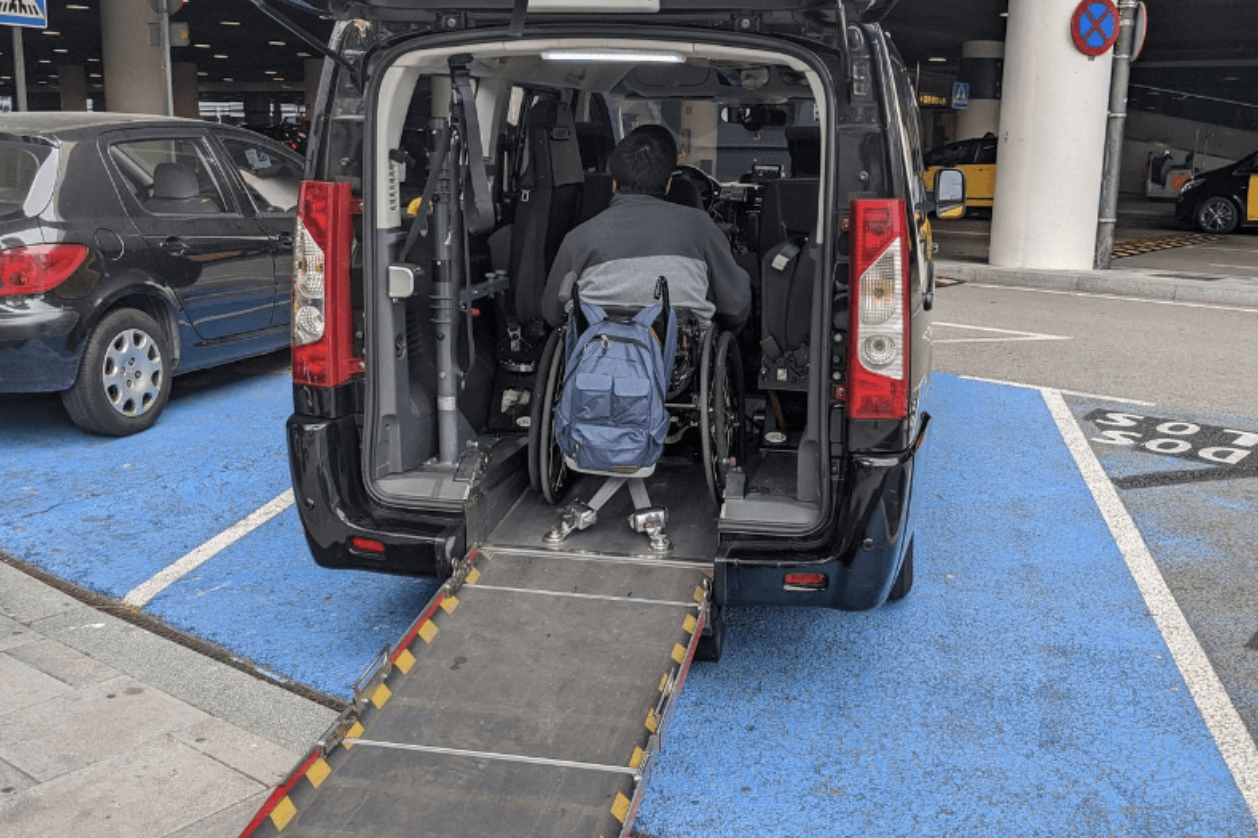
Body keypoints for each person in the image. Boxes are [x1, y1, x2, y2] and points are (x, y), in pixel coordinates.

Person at [540, 129, 750, 334]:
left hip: (597, 350)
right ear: (668, 184)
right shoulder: (701, 226)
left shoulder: (578, 237)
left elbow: (552, 314)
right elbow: (734, 307)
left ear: (613, 184)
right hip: (680, 350)